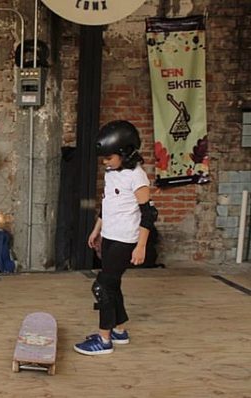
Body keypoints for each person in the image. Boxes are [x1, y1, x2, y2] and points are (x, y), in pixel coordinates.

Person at [73, 120, 157, 356]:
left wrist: (141, 246)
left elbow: (148, 214)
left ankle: (104, 339)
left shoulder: (137, 177)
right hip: (110, 235)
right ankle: (119, 331)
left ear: (125, 152)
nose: (105, 162)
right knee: (113, 284)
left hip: (126, 240)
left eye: (109, 157)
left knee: (102, 287)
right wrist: (97, 229)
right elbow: (107, 204)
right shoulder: (112, 173)